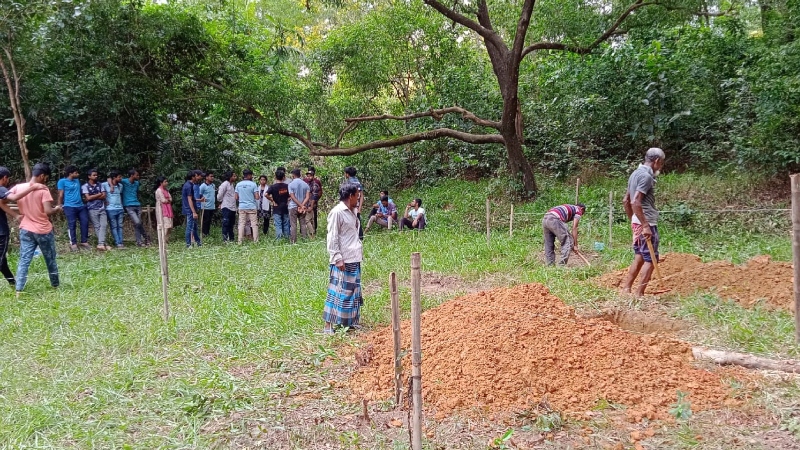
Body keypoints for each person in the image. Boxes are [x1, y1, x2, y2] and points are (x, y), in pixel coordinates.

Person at [621, 147, 666, 297]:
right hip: (646, 223)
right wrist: (645, 225)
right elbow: (635, 201)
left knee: (640, 256)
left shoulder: (634, 174)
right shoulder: (646, 177)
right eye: (661, 163)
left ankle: (626, 288)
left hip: (637, 221)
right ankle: (639, 293)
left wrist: (633, 220)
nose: (660, 167)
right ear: (657, 161)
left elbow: (625, 201)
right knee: (651, 259)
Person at [12, 163, 62, 295]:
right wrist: (56, 209)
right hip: (43, 230)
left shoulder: (19, 187)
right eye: (46, 177)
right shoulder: (43, 189)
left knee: (24, 260)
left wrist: (17, 214)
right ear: (41, 176)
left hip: (25, 229)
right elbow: (47, 211)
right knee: (50, 259)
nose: (46, 180)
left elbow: (4, 200)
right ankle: (55, 285)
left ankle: (19, 290)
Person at [323, 182, 364, 334]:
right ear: (350, 196)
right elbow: (332, 236)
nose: (358, 200)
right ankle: (328, 325)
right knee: (338, 292)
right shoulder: (337, 212)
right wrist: (337, 257)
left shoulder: (352, 211)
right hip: (343, 259)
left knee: (353, 291)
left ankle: (349, 322)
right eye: (357, 197)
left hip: (354, 257)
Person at [0, 166, 49, 287]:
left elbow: (2, 204)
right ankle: (13, 282)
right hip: (1, 232)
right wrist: (33, 187)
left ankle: (13, 282)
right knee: (1, 261)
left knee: (2, 261)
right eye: (8, 179)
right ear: (5, 178)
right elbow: (14, 198)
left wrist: (16, 216)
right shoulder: (1, 188)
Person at [58, 165, 90, 251]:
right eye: (76, 173)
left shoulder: (77, 181)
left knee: (85, 222)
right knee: (72, 224)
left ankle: (84, 241)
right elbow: (61, 194)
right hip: (69, 206)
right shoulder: (62, 181)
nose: (77, 174)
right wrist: (60, 205)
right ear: (70, 173)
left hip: (80, 206)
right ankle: (73, 243)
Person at [120, 169, 151, 247]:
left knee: (138, 224)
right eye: (136, 175)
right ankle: (146, 237)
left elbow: (136, 193)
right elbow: (111, 179)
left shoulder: (137, 183)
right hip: (128, 205)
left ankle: (139, 242)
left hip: (137, 204)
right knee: (137, 222)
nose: (138, 176)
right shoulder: (124, 181)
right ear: (132, 175)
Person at [82, 169, 109, 251]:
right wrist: (99, 194)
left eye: (96, 175)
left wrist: (93, 196)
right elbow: (88, 198)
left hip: (102, 208)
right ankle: (103, 244)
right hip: (92, 209)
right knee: (97, 227)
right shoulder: (85, 186)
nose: (96, 176)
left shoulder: (101, 185)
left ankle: (101, 244)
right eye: (94, 175)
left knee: (104, 225)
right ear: (89, 176)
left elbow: (104, 196)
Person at [235, 169, 259, 244]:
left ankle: (240, 241)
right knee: (254, 224)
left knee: (241, 224)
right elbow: (257, 197)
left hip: (242, 207)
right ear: (249, 175)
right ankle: (256, 241)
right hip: (251, 206)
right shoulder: (253, 184)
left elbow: (236, 197)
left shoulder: (238, 184)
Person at [288, 168, 312, 243]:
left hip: (293, 206)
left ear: (293, 175)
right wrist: (302, 205)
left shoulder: (291, 184)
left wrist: (299, 205)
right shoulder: (306, 184)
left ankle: (293, 241)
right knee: (303, 223)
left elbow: (292, 196)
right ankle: (304, 240)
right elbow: (307, 197)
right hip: (303, 207)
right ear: (300, 175)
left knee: (293, 224)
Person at [103, 171, 125, 248]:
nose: (120, 178)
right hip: (110, 209)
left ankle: (121, 242)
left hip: (120, 208)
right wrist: (104, 201)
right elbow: (102, 193)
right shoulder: (105, 185)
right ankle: (118, 242)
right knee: (114, 226)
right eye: (119, 177)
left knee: (120, 226)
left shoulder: (120, 186)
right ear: (114, 178)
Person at [267, 169, 290, 240]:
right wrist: (287, 200)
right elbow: (292, 195)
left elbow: (266, 194)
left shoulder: (273, 187)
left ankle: (279, 240)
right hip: (285, 207)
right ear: (283, 177)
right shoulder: (287, 186)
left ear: (275, 177)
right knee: (286, 224)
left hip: (276, 208)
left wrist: (273, 200)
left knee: (278, 224)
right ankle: (286, 239)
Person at [182, 170, 203, 247]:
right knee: (190, 227)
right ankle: (188, 244)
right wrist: (193, 212)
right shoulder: (189, 186)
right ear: (193, 177)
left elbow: (191, 198)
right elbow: (189, 199)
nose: (197, 178)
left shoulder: (189, 185)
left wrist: (199, 200)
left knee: (194, 227)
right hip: (190, 209)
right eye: (195, 176)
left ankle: (198, 242)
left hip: (190, 208)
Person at [343, 166, 364, 240]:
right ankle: (360, 237)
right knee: (358, 222)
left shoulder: (348, 183)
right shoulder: (358, 182)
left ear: (347, 174)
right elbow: (362, 196)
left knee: (349, 222)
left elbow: (346, 196)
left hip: (350, 206)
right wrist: (360, 207)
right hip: (357, 206)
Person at [217, 170, 237, 243]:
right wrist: (220, 201)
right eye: (234, 176)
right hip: (226, 206)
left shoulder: (232, 185)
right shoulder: (224, 184)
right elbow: (219, 195)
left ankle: (231, 238)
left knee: (231, 224)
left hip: (232, 207)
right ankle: (225, 239)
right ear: (230, 177)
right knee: (226, 222)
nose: (235, 177)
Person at [305, 167, 323, 234]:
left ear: (313, 175)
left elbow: (318, 193)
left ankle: (313, 231)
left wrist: (315, 201)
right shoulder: (305, 180)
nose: (309, 177)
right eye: (308, 175)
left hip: (313, 202)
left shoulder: (316, 182)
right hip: (306, 202)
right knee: (308, 218)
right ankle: (310, 232)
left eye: (310, 175)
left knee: (312, 217)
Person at [199, 171, 216, 237]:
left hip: (212, 206)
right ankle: (204, 233)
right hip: (205, 206)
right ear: (206, 177)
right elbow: (199, 194)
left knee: (209, 221)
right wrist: (202, 198)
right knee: (205, 221)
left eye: (213, 176)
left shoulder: (213, 185)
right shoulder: (203, 186)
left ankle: (207, 233)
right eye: (211, 176)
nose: (212, 178)